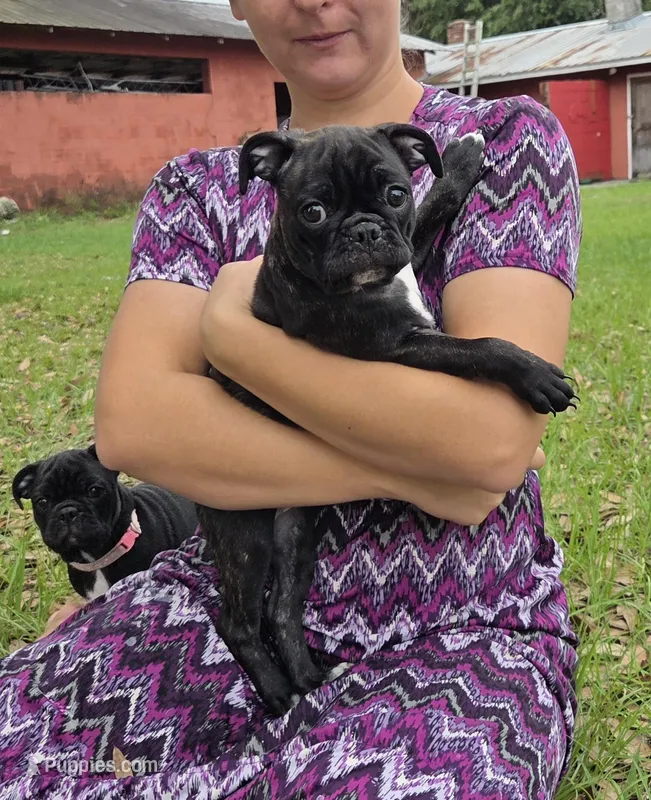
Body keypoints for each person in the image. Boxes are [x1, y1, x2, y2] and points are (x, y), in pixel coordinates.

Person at [0, 1, 582, 797]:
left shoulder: (506, 142)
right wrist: (418, 473)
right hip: (220, 594)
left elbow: (486, 445)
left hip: (459, 625)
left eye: (387, 201)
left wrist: (236, 341)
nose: (313, 0)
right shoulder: (193, 189)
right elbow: (135, 428)